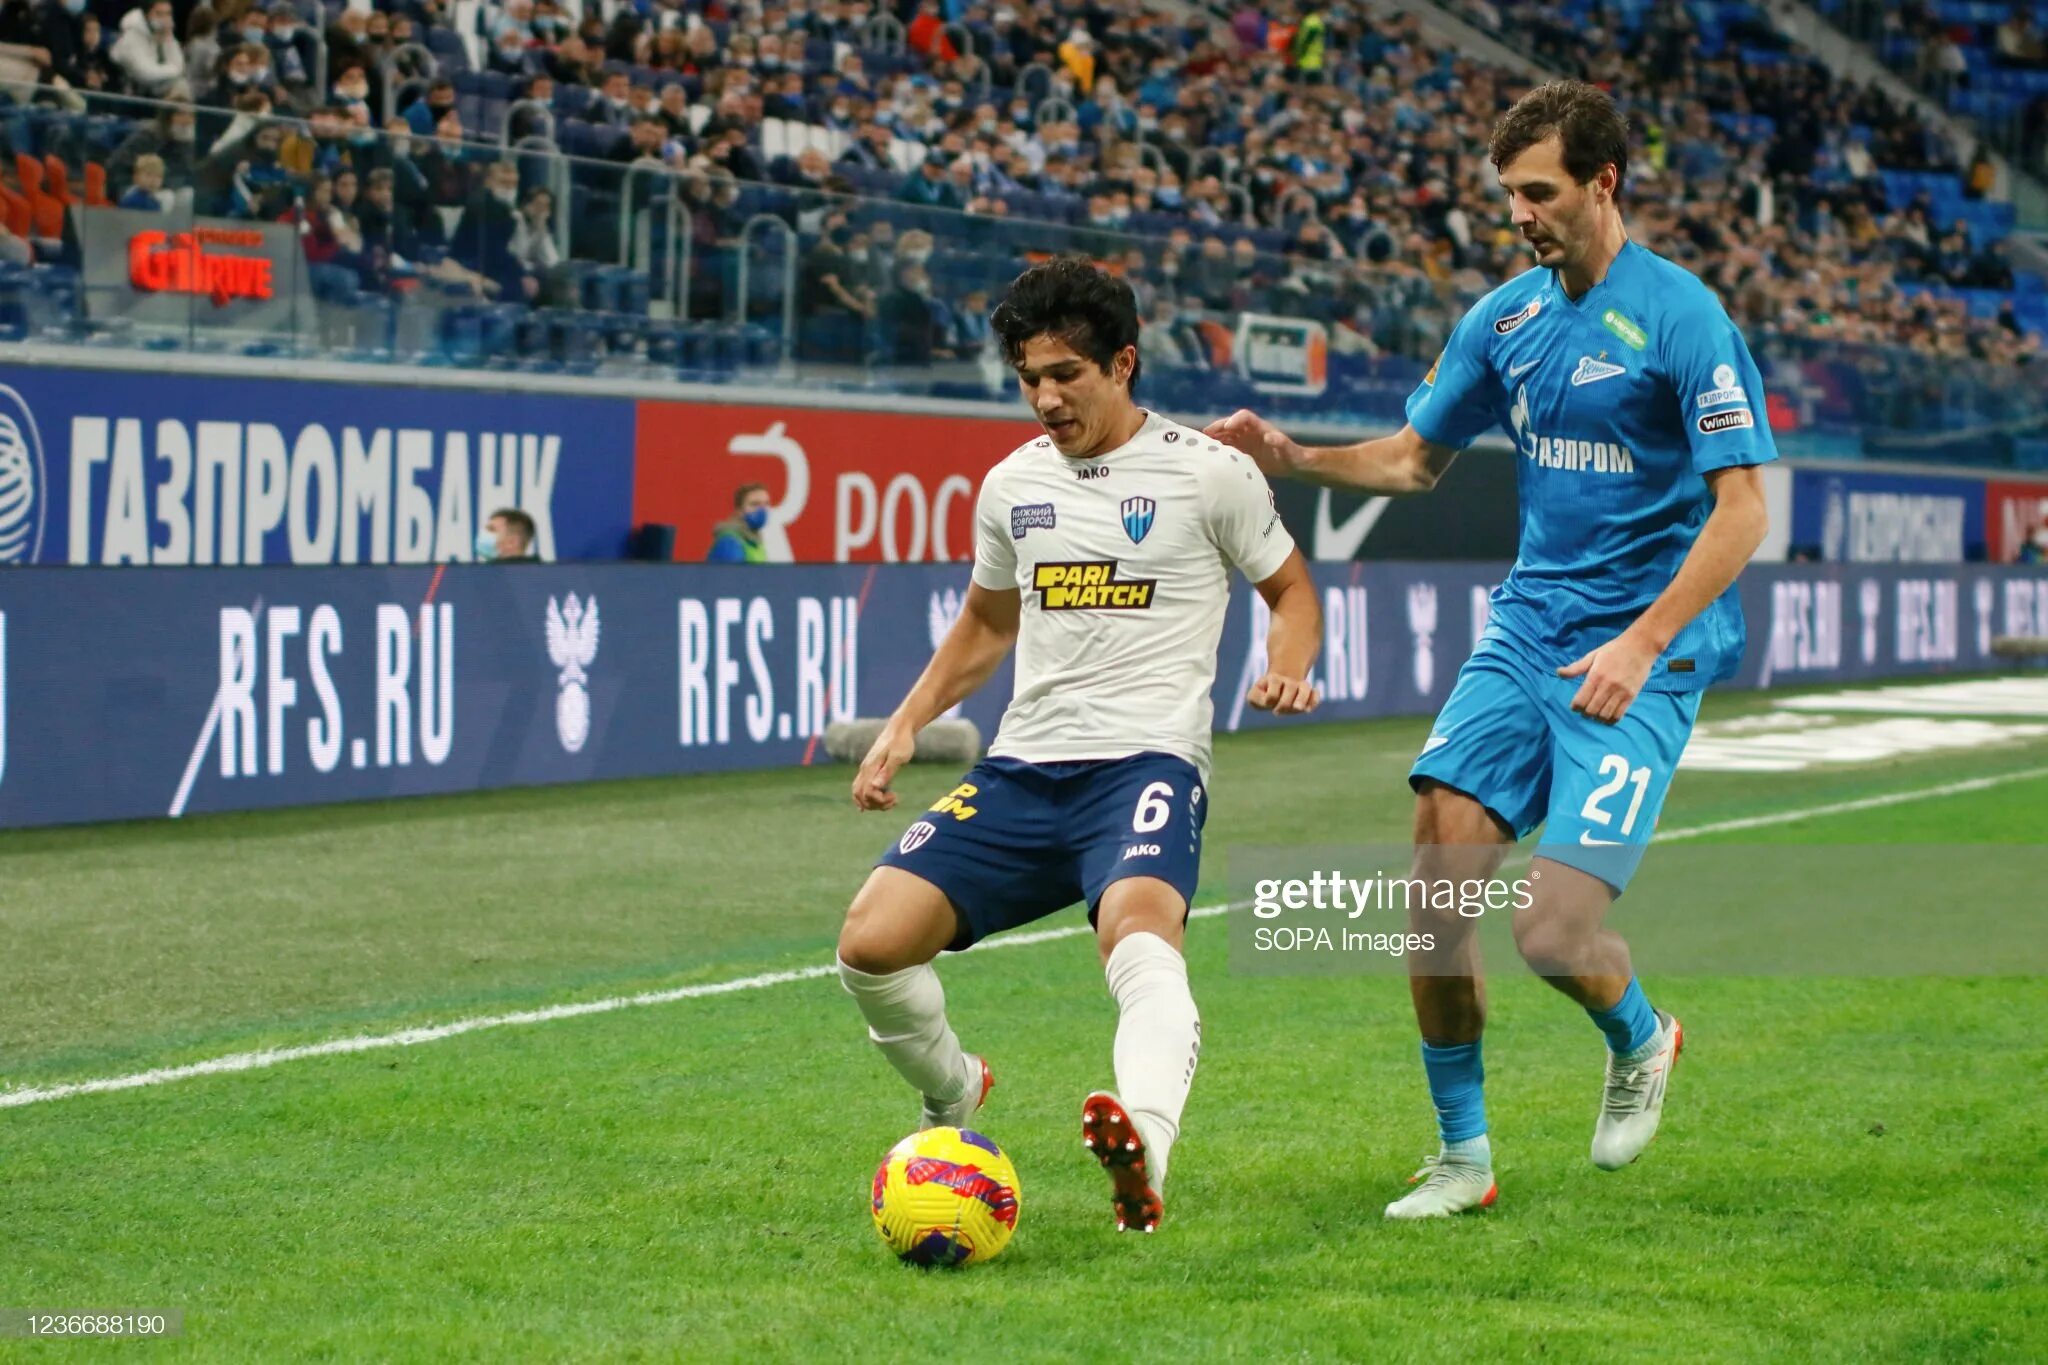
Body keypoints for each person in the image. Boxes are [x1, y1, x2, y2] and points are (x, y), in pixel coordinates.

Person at [1206, 80, 1775, 1218]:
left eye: (1537, 191)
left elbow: (1742, 510)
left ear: (1601, 184)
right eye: (1506, 193)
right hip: (1524, 634)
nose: (1516, 214)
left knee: (1552, 932)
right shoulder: (1503, 320)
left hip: (1643, 654)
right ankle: (1463, 1159)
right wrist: (1293, 455)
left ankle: (1640, 1035)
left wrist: (1642, 638)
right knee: (1431, 901)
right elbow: (1415, 460)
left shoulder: (1680, 316)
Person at [836, 256, 1323, 1235]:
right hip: (1023, 771)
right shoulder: (1012, 487)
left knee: (1137, 931)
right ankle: (952, 1097)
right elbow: (984, 623)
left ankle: (1142, 1147)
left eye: (1065, 374)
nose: (1045, 397)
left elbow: (1291, 592)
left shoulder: (1206, 473)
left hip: (1146, 764)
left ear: (1123, 363)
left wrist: (1286, 663)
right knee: (869, 945)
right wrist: (905, 721)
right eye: (1027, 377)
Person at [706, 483, 772, 562]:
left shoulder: (756, 542)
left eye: (766, 504)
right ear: (739, 510)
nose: (762, 510)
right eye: (755, 504)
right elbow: (731, 574)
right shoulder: (730, 542)